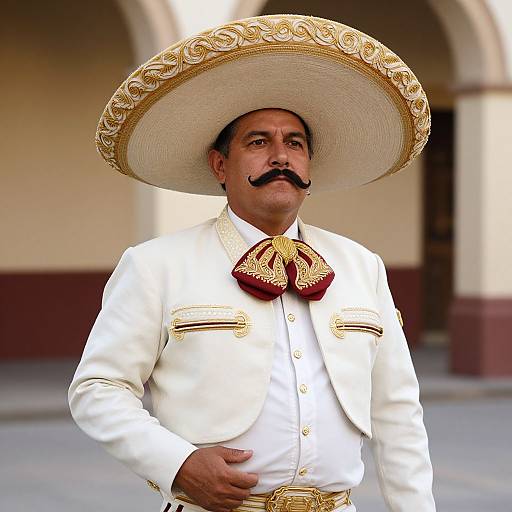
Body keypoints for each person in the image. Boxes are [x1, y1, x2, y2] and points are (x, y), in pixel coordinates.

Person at [69, 14, 435, 512]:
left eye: (295, 144)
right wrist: (177, 464)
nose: (280, 157)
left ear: (308, 166)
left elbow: (397, 413)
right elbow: (98, 388)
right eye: (258, 142)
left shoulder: (361, 265)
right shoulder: (156, 265)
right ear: (221, 165)